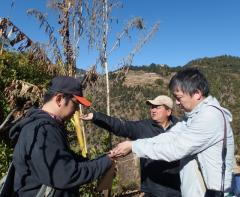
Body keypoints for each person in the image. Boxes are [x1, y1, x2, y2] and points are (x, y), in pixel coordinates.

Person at [110, 68, 235, 197]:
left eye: (179, 97)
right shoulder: (193, 117)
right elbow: (170, 136)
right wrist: (133, 145)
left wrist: (134, 146)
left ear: (197, 93)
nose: (176, 102)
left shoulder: (209, 117)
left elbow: (175, 149)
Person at [9, 76, 112, 196]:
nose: (76, 110)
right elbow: (66, 175)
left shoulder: (46, 126)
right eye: (75, 103)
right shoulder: (42, 130)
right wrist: (104, 163)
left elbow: (65, 158)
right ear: (59, 99)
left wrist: (101, 161)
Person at [81, 95, 181, 197]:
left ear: (168, 111)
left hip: (177, 188)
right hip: (152, 190)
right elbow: (121, 126)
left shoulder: (181, 128)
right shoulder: (143, 127)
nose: (153, 110)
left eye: (157, 107)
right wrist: (96, 117)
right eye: (152, 107)